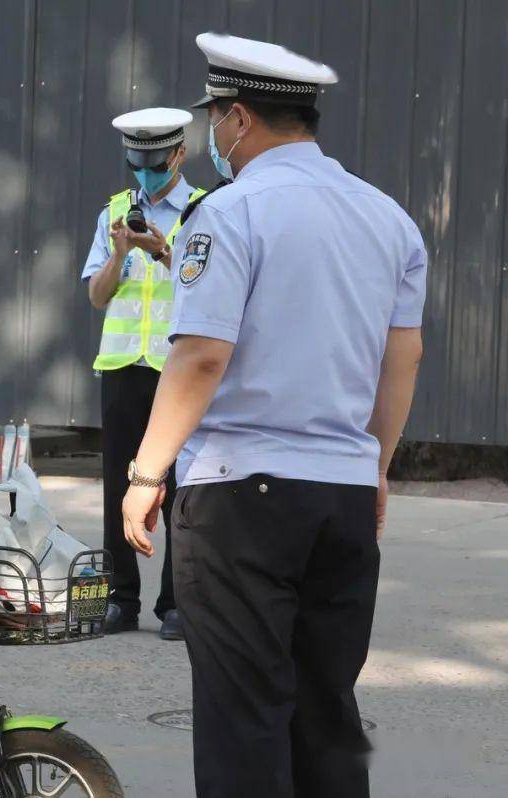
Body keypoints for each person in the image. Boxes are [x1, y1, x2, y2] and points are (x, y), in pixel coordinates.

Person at [121, 33, 426, 797]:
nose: (212, 136)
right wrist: (376, 467)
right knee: (327, 714)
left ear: (239, 120)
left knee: (244, 719)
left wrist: (146, 470)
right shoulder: (388, 219)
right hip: (344, 495)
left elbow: (199, 359)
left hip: (241, 497)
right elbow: (403, 359)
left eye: (215, 119)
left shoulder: (229, 213)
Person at [81, 108, 205, 638]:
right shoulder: (114, 211)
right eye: (138, 165)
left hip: (177, 367)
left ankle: (176, 602)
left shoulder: (203, 211)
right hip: (124, 366)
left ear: (178, 154)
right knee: (118, 483)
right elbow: (96, 295)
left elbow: (207, 283)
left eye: (156, 165)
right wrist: (119, 253)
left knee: (179, 485)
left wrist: (162, 252)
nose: (146, 176)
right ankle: (119, 596)